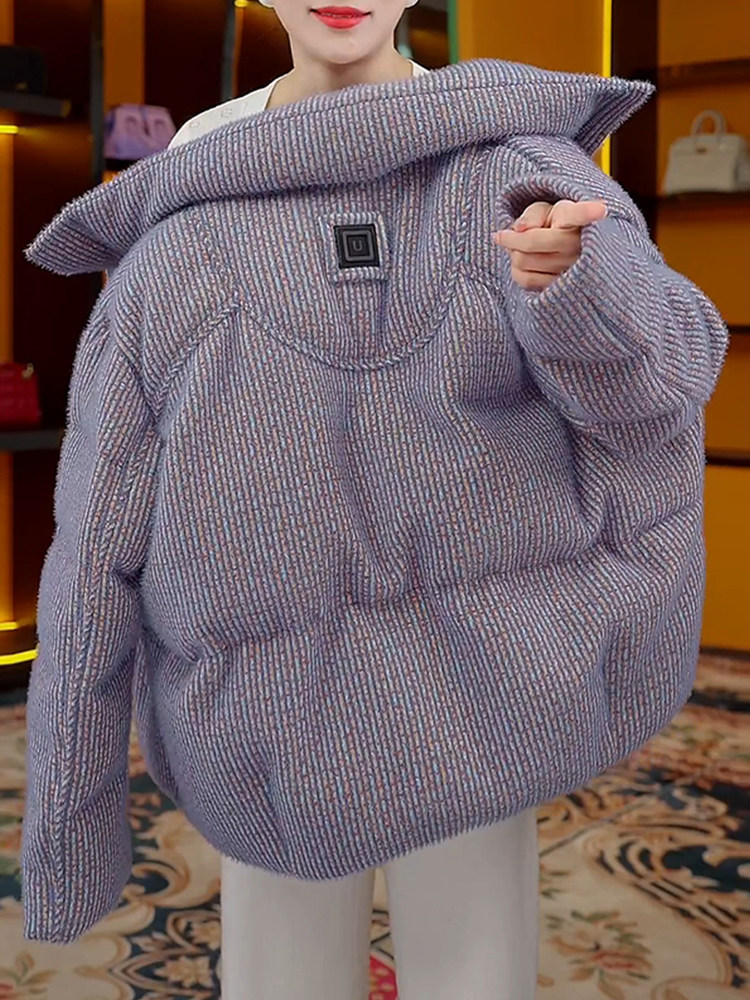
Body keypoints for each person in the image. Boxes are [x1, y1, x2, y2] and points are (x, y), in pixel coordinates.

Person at [19, 2, 729, 1000]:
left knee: (466, 965)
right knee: (292, 965)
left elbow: (666, 376)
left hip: (481, 681)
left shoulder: (519, 165)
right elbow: (96, 536)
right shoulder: (196, 174)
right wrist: (71, 823)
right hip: (287, 705)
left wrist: (576, 288)